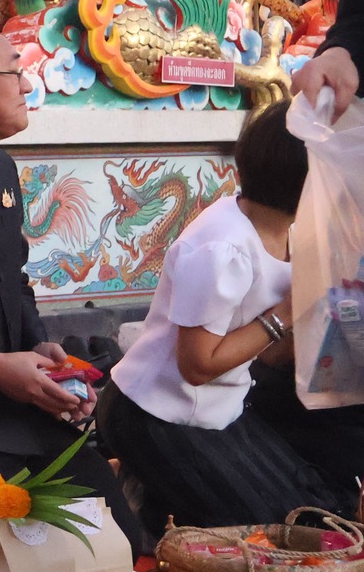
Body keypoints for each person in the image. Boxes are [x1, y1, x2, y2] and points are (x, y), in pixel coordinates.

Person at [0, 12, 145, 551]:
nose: (26, 85)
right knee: (34, 559)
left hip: (17, 405)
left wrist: (41, 349)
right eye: (13, 71)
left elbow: (13, 278)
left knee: (122, 541)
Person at [98, 103, 354, 536]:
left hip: (221, 409)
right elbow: (197, 366)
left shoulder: (291, 230)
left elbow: (268, 353)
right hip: (158, 415)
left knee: (317, 514)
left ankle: (155, 498)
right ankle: (140, 488)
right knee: (276, 534)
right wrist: (287, 312)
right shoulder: (222, 249)